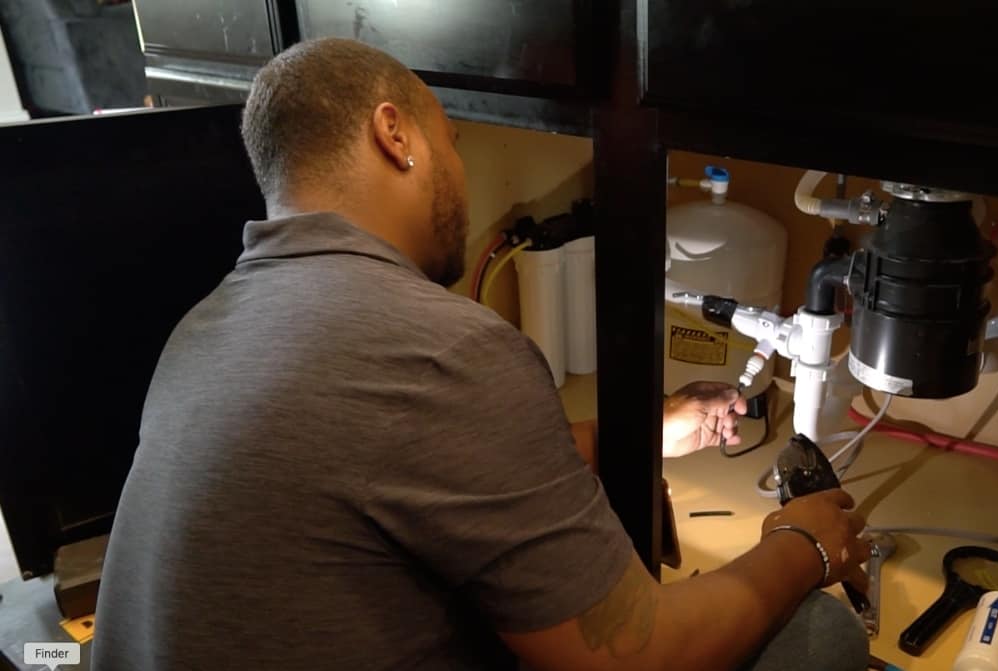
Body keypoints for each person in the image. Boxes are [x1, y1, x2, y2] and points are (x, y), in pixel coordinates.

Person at [92, 37, 870, 671]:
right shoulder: (441, 347)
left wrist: (651, 430)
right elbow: (640, 658)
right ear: (395, 135)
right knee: (819, 640)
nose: (463, 175)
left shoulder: (206, 328)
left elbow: (423, 473)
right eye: (454, 145)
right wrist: (803, 545)